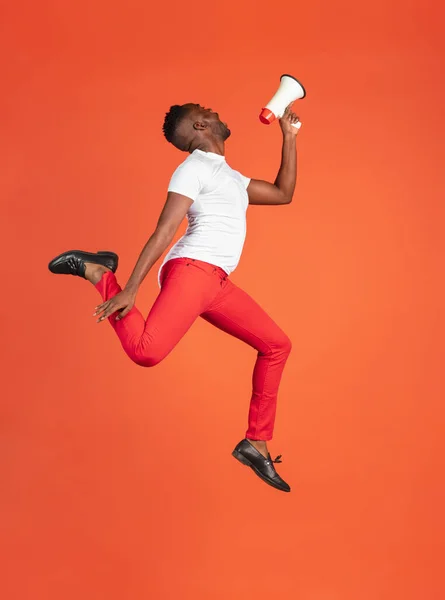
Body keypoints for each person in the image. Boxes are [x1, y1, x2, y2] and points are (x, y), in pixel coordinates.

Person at [48, 102, 300, 492]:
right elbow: (165, 230)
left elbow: (283, 193)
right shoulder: (194, 168)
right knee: (146, 352)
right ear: (200, 125)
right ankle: (100, 273)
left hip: (216, 282)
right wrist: (129, 288)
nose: (218, 113)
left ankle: (256, 441)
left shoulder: (230, 177)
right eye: (210, 111)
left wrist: (288, 137)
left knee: (276, 345)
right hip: (192, 269)